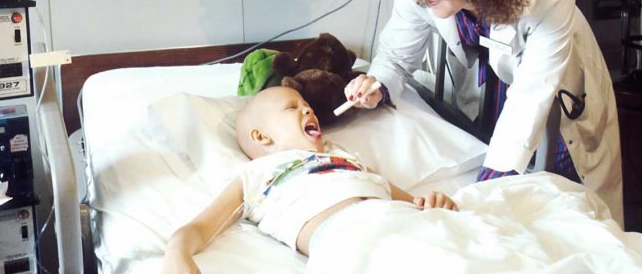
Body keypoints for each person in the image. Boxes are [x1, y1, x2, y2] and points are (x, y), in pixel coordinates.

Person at [345, 0, 624, 226]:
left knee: (571, 205)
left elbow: (531, 96)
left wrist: (483, 191)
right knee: (511, 182)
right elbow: (394, 58)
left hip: (558, 84)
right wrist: (376, 85)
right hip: (500, 84)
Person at [161, 86, 458, 274]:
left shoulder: (341, 155)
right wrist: (177, 254)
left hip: (397, 218)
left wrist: (430, 203)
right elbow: (200, 228)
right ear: (261, 136)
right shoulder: (258, 174)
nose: (308, 109)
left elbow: (404, 197)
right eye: (292, 107)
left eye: (307, 105)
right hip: (346, 238)